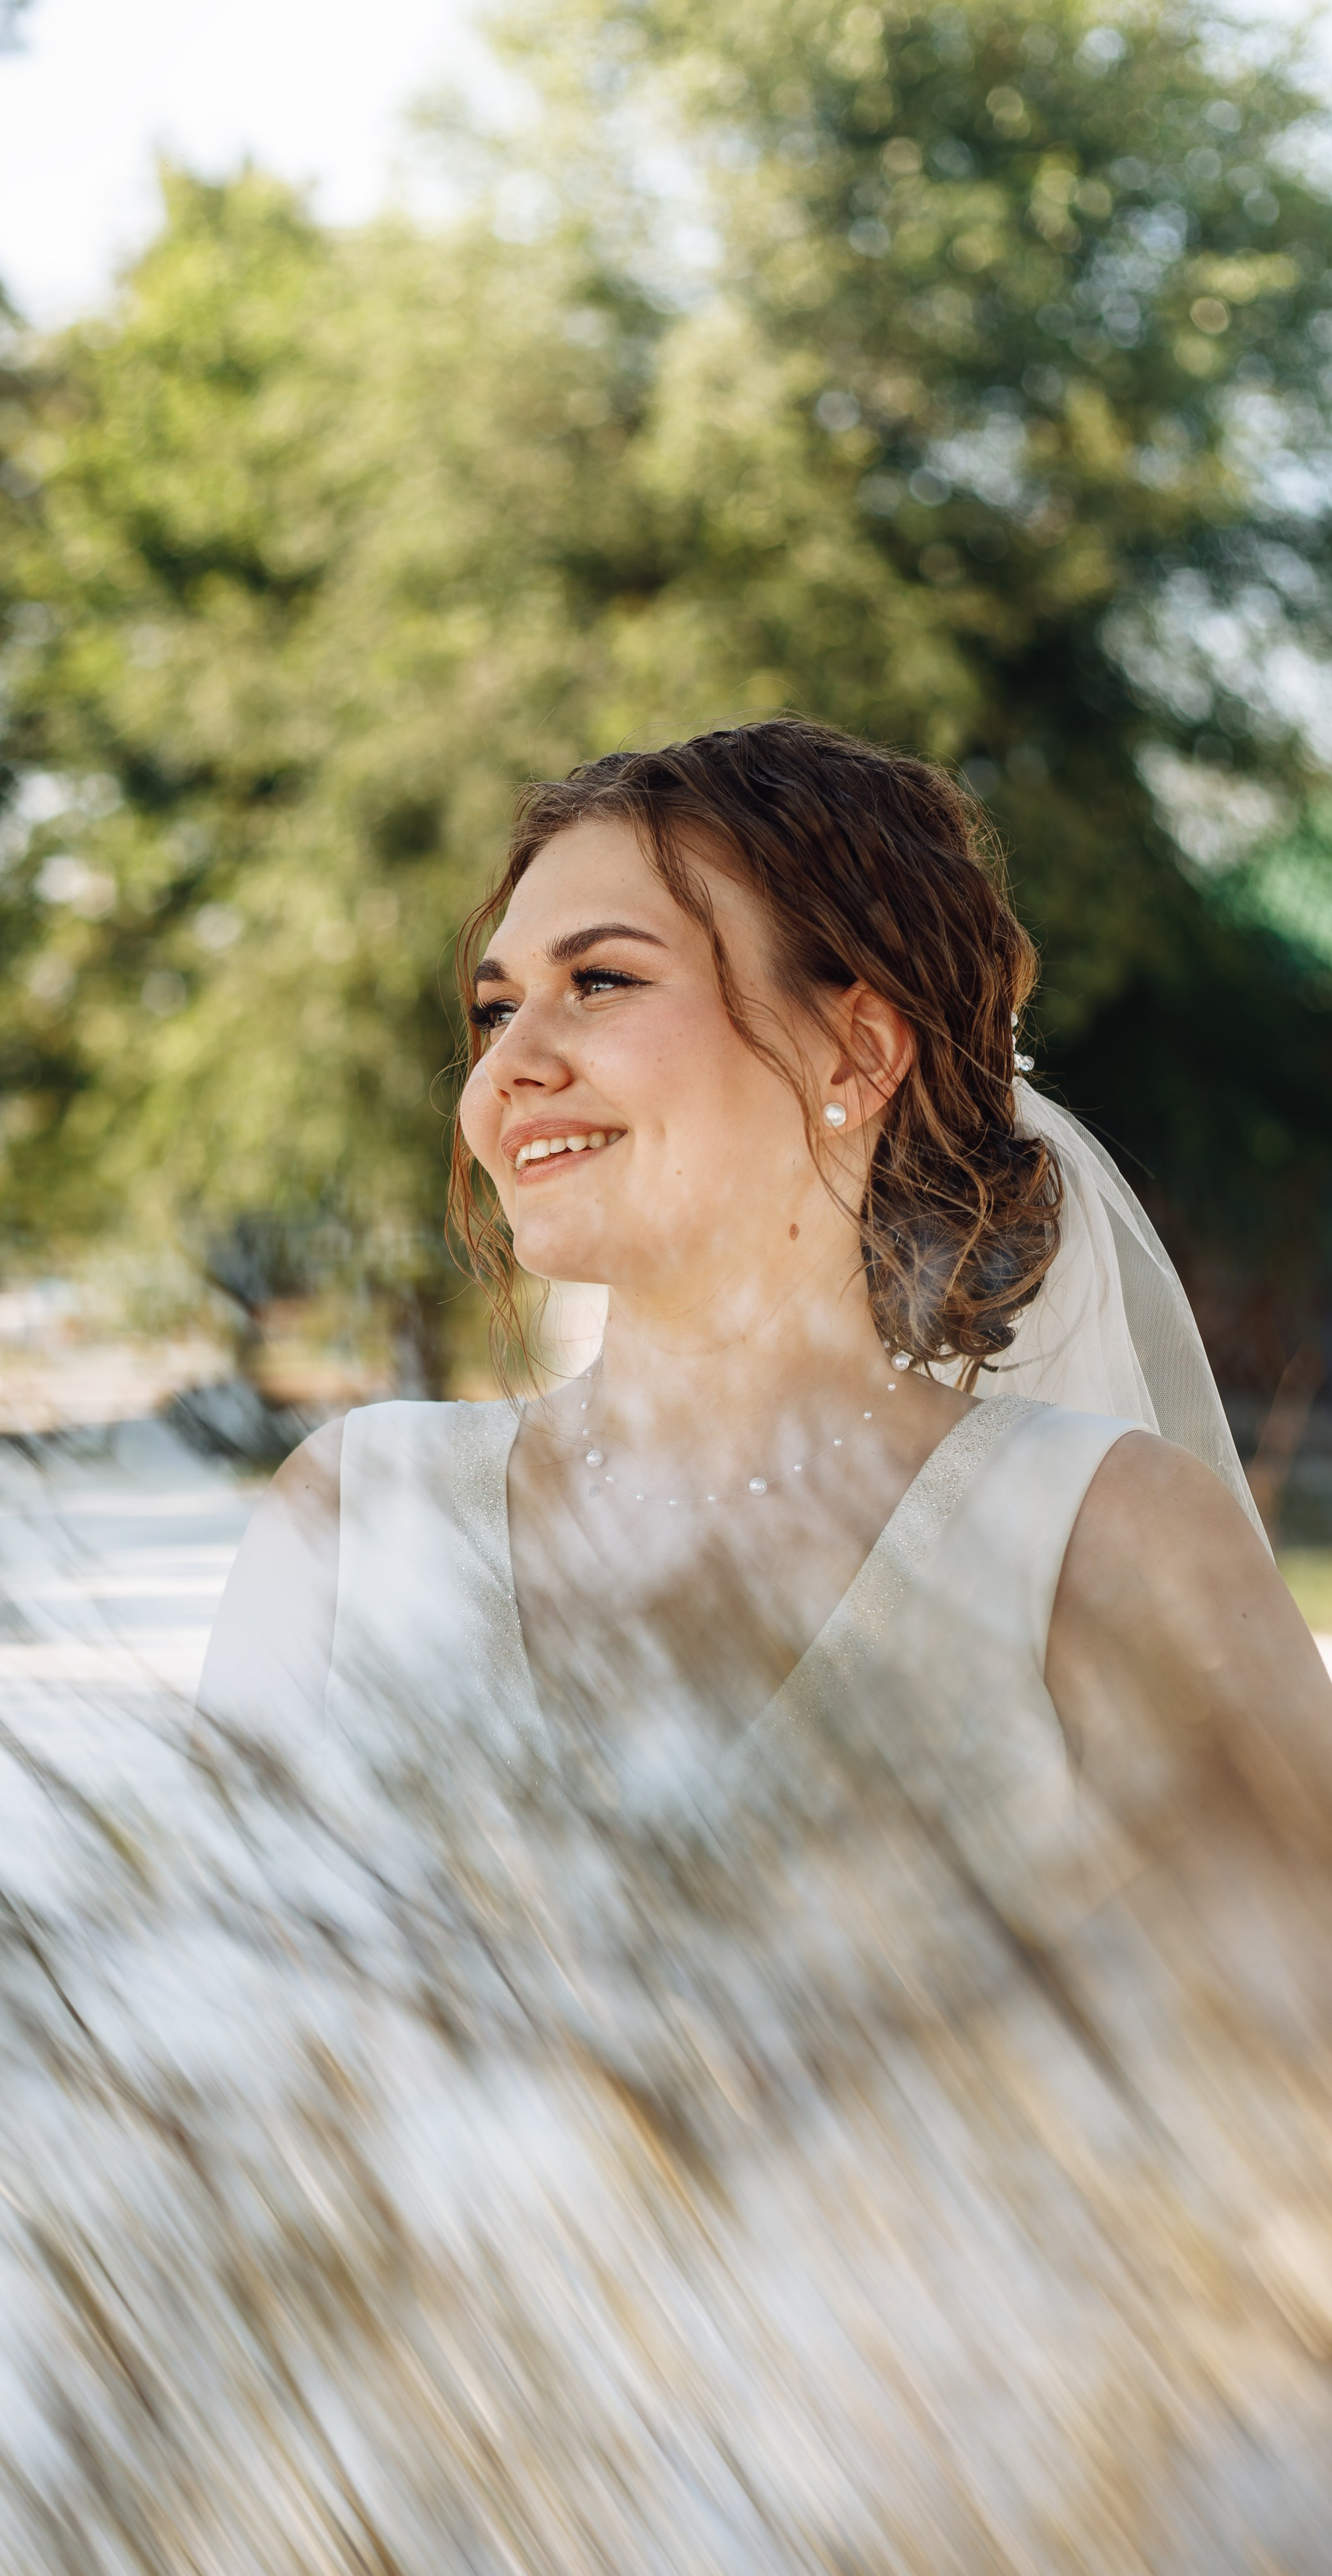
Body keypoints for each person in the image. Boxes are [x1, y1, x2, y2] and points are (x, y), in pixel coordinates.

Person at [194, 720, 1332, 2571]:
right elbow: (200, 2101)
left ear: (857, 1047)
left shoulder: (1101, 1538)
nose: (514, 1065)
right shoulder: (352, 1520)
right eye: (494, 1010)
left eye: (603, 981)